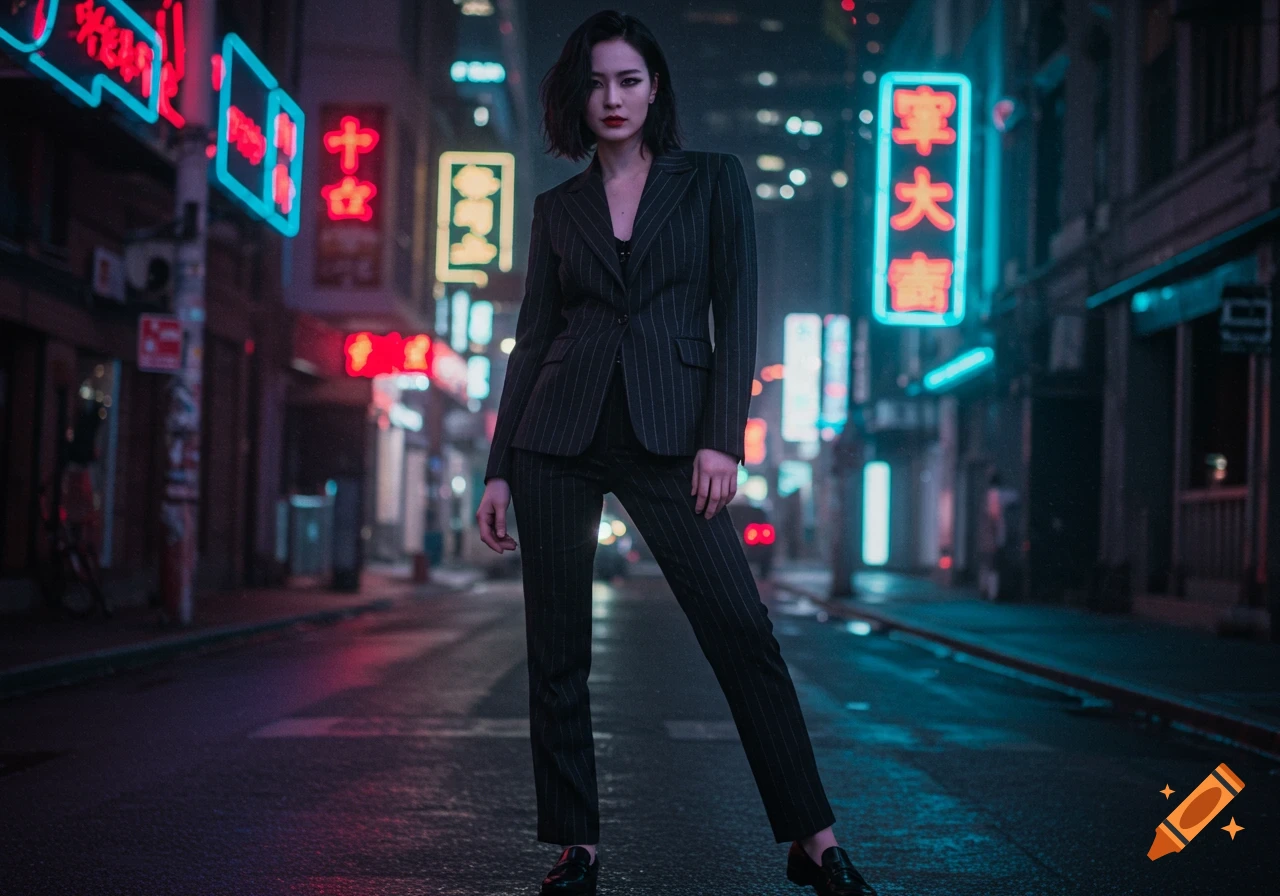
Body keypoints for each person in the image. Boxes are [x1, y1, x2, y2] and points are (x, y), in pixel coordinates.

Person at [474, 11, 878, 896]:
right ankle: (575, 849)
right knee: (557, 652)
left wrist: (720, 439)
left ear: (655, 88)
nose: (611, 98)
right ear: (573, 98)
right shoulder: (557, 209)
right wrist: (499, 466)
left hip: (669, 438)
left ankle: (814, 840)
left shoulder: (712, 182)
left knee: (743, 633)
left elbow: (738, 311)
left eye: (627, 79)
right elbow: (532, 339)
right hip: (556, 438)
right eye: (594, 82)